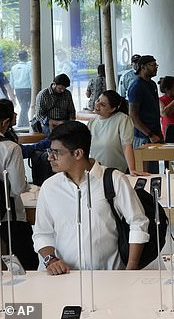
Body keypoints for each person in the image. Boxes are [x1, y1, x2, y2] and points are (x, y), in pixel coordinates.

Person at [32, 121, 149, 274]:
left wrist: (132, 266)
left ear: (78, 153)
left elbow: (138, 221)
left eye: (56, 152)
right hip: (64, 277)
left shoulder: (114, 179)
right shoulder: (50, 187)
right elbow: (42, 232)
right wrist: (50, 259)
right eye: (50, 151)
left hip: (108, 275)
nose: (50, 158)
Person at [0, 100, 38, 269]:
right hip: (10, 216)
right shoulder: (10, 148)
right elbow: (17, 188)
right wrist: (29, 187)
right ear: (5, 122)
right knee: (25, 264)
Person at [87, 90, 146, 176]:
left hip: (117, 172)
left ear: (112, 109)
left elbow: (127, 146)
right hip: (97, 172)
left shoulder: (122, 119)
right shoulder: (92, 122)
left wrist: (132, 169)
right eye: (98, 100)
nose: (97, 104)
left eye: (103, 105)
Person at [128, 55, 162, 174]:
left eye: (156, 65)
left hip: (154, 134)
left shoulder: (152, 84)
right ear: (143, 67)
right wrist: (150, 134)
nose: (156, 68)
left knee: (154, 172)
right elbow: (133, 115)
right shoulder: (136, 86)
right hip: (143, 136)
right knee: (145, 173)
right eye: (152, 65)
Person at [10, 50, 31, 127]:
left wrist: (12, 93)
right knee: (25, 107)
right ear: (26, 57)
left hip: (18, 90)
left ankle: (26, 124)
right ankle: (20, 124)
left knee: (23, 107)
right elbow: (31, 79)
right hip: (27, 89)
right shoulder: (28, 67)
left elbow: (11, 81)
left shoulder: (13, 67)